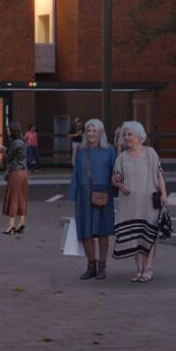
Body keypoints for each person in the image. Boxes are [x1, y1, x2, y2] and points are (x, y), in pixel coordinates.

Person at [109, 122, 168, 283]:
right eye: (125, 135)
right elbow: (115, 179)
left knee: (148, 235)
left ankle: (148, 268)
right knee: (134, 236)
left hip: (149, 203)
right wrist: (120, 184)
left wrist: (164, 194)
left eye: (130, 135)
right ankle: (140, 269)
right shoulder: (121, 157)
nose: (126, 138)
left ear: (139, 137)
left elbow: (159, 175)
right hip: (129, 204)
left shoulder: (150, 153)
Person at [67, 119, 115, 279]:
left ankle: (102, 265)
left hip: (103, 194)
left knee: (102, 231)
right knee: (85, 232)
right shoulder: (81, 152)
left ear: (101, 133)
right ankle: (91, 265)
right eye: (89, 131)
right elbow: (75, 175)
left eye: (94, 131)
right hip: (83, 195)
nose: (91, 134)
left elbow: (116, 172)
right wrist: (73, 196)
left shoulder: (109, 150)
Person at [1, 130, 32, 235]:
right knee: (22, 197)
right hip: (23, 172)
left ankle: (11, 225)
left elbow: (8, 157)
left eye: (9, 130)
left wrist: (1, 149)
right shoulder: (22, 142)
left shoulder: (15, 143)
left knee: (13, 198)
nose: (8, 132)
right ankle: (22, 223)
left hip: (16, 173)